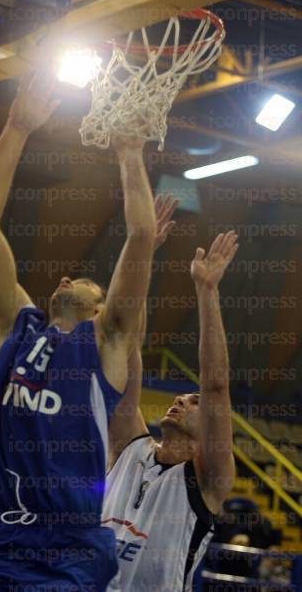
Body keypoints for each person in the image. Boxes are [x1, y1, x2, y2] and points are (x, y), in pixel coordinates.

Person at [0, 55, 162, 591]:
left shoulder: (105, 344)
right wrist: (17, 126)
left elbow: (138, 238)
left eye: (86, 280)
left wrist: (130, 155)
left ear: (101, 306)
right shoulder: (12, 325)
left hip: (68, 549)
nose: (69, 277)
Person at [103, 230, 239, 591]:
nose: (181, 400)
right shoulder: (127, 448)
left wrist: (207, 290)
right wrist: (141, 254)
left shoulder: (210, 477)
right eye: (181, 397)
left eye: (193, 402)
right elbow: (127, 344)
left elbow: (215, 387)